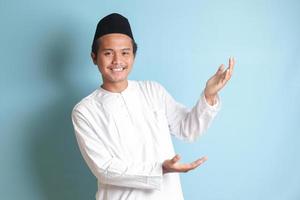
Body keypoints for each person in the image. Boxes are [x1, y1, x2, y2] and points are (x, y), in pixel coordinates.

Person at [71, 13, 235, 200]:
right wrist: (159, 169)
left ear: (134, 55)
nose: (117, 61)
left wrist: (209, 94)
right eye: (108, 53)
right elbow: (104, 168)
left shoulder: (152, 90)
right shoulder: (85, 111)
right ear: (94, 57)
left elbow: (187, 129)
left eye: (125, 52)